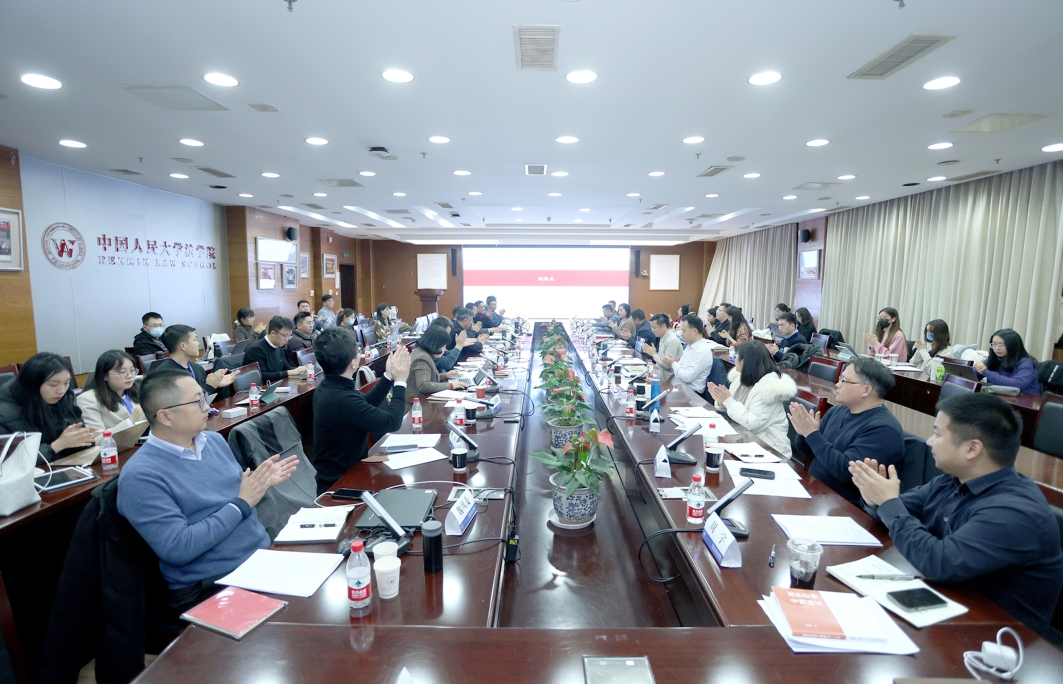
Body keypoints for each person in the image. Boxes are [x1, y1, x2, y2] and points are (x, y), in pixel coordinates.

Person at [849, 393, 1063, 635]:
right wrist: (874, 498)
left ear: (972, 449)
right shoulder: (954, 479)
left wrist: (888, 502)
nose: (929, 442)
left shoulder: (1014, 512)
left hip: (999, 636)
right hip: (948, 604)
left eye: (938, 434)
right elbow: (899, 510)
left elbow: (939, 563)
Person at [117, 370, 298, 612]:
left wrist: (259, 484)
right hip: (211, 585)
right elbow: (178, 548)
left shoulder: (212, 441)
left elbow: (238, 502)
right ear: (165, 416)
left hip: (259, 560)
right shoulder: (141, 476)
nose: (207, 408)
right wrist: (242, 502)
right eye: (197, 402)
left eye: (204, 398)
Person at [789, 357, 904, 506]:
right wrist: (803, 432)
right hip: (815, 491)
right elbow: (809, 452)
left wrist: (812, 434)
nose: (837, 384)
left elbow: (846, 472)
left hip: (843, 505)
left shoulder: (884, 430)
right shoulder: (838, 410)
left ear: (866, 390)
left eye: (844, 381)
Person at [312, 327, 411, 495]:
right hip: (340, 486)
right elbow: (392, 422)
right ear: (353, 363)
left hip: (349, 473)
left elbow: (364, 403)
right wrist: (400, 382)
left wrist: (388, 376)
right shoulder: (340, 398)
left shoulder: (329, 386)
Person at [0, 352, 98, 461]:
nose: (61, 390)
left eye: (66, 383)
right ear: (33, 383)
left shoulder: (65, 397)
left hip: (62, 464)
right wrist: (56, 446)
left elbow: (72, 440)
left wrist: (82, 439)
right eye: (53, 385)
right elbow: (9, 460)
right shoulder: (5, 412)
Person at [707, 341, 797, 457]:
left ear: (744, 362)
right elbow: (732, 408)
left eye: (737, 356)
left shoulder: (769, 389)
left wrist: (727, 400)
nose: (735, 358)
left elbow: (752, 423)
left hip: (770, 448)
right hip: (747, 439)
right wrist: (721, 401)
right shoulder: (741, 378)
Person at [152, 325, 238, 395]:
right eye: (195, 340)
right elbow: (186, 403)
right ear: (183, 346)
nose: (198, 343)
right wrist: (209, 387)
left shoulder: (197, 368)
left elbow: (205, 398)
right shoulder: (164, 375)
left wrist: (216, 385)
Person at [77, 350, 144, 433]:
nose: (130, 376)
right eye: (122, 372)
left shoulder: (139, 391)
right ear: (104, 375)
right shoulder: (88, 400)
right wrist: (130, 421)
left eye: (132, 370)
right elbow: (96, 438)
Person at [660, 314, 727, 397]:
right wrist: (674, 364)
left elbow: (688, 378)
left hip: (691, 394)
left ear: (694, 331)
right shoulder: (689, 346)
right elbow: (682, 370)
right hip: (679, 386)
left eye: (684, 331)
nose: (681, 334)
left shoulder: (702, 351)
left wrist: (673, 364)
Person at [407, 326, 468, 403]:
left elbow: (428, 377)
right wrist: (451, 385)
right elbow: (424, 385)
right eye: (444, 346)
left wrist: (445, 375)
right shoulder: (422, 358)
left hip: (423, 400)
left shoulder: (422, 352)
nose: (445, 350)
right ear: (436, 345)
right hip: (417, 405)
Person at [975, 329, 1040, 395]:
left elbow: (1017, 385)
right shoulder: (994, 359)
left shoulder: (1025, 363)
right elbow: (974, 377)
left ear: (1013, 346)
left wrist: (986, 372)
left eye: (1002, 345)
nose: (997, 348)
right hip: (998, 396)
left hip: (1023, 399)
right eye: (994, 344)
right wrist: (976, 369)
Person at [244, 317, 308, 383]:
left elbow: (286, 367)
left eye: (289, 336)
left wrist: (300, 370)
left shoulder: (278, 347)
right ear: (273, 333)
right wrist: (289, 372)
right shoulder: (255, 350)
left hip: (277, 384)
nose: (287, 340)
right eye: (285, 336)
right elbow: (261, 376)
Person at [642, 313, 683, 381]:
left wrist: (654, 354)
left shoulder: (671, 341)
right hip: (661, 374)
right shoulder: (663, 337)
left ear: (663, 326)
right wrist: (654, 353)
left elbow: (668, 365)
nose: (652, 330)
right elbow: (661, 361)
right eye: (651, 328)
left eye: (654, 328)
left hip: (669, 380)